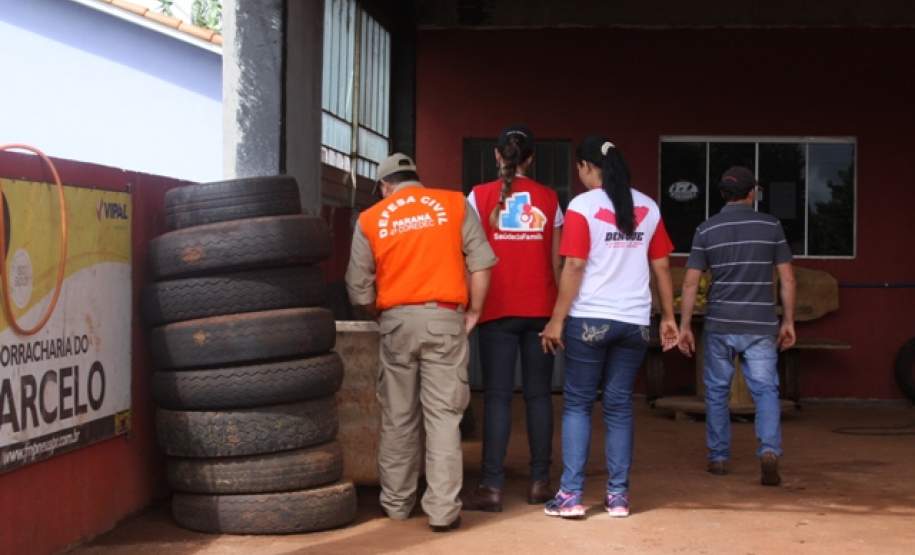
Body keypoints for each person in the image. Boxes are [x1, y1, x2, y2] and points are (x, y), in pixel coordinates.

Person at [345, 153, 497, 532]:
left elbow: (357, 287)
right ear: (417, 179)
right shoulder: (454, 204)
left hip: (397, 321)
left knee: (398, 416)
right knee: (444, 418)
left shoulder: (372, 218)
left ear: (385, 186)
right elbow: (480, 263)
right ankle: (444, 512)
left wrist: (380, 314)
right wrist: (474, 311)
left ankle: (397, 504)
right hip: (445, 317)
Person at [540, 136, 678, 519]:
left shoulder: (582, 206)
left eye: (579, 169)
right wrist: (668, 316)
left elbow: (574, 266)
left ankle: (570, 495)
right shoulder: (648, 207)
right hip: (634, 322)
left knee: (579, 405)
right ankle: (618, 497)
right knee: (618, 408)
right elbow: (662, 266)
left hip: (590, 321)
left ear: (585, 167)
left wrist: (556, 318)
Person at [461, 125, 563, 512]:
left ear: (496, 156)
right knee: (539, 396)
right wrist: (558, 313)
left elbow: (470, 257)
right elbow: (557, 262)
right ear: (531, 159)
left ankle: (491, 487)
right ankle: (540, 482)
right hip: (541, 309)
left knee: (499, 398)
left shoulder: (478, 196)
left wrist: (470, 304)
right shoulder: (551, 199)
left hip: (495, 310)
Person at [677, 165, 796, 486]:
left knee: (717, 392)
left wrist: (685, 325)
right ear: (751, 193)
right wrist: (788, 320)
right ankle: (769, 450)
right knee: (766, 390)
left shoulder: (706, 229)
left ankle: (718, 457)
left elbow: (690, 283)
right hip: (760, 324)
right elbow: (786, 277)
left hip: (719, 322)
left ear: (721, 194)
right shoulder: (771, 226)